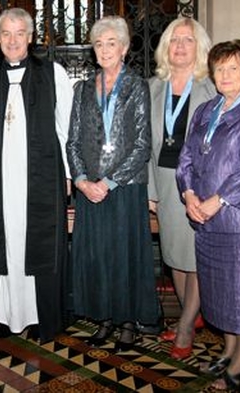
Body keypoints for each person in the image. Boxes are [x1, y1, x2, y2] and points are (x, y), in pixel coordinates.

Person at [0, 7, 74, 343]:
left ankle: (41, 317)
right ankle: (8, 317)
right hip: (1, 182)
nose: (12, 40)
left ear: (30, 36)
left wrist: (67, 175)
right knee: (6, 246)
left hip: (41, 179)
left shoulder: (53, 73)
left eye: (19, 33)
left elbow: (65, 128)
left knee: (37, 247)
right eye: (6, 34)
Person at [176, 39, 240, 390]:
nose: (224, 74)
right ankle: (229, 348)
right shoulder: (206, 110)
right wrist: (189, 193)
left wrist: (217, 200)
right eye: (219, 68)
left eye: (233, 68)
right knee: (221, 292)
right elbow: (187, 158)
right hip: (207, 220)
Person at [66, 15, 160, 352]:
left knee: (124, 256)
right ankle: (103, 317)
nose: (104, 49)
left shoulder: (137, 86)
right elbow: (72, 141)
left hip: (123, 189)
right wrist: (80, 180)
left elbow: (142, 145)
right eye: (98, 43)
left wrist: (108, 181)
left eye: (111, 43)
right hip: (89, 191)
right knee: (96, 256)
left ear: (124, 48)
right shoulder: (82, 89)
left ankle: (126, 322)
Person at [147, 17, 216, 359]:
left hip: (200, 184)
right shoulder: (152, 87)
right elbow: (145, 144)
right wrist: (150, 190)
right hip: (163, 178)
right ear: (165, 47)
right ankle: (194, 313)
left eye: (187, 40)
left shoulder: (213, 87)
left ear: (198, 47)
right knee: (175, 254)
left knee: (196, 256)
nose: (180, 46)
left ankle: (187, 324)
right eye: (174, 40)